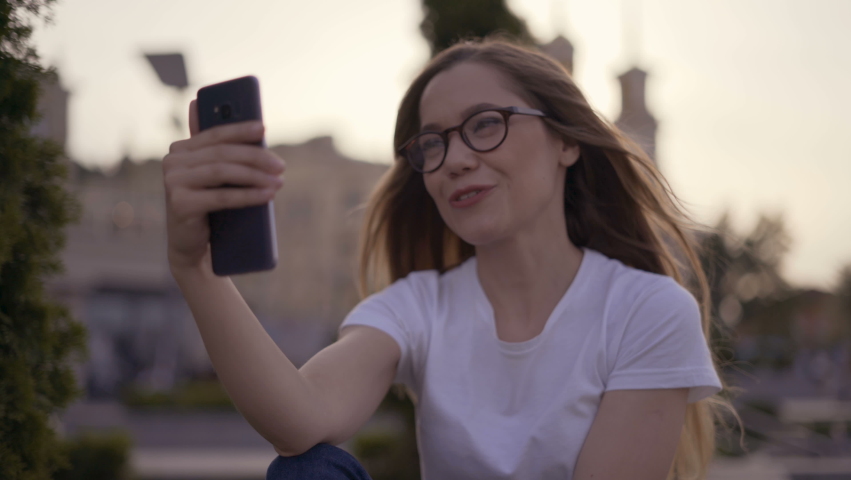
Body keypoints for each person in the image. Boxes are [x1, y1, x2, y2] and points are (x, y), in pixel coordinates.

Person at [163, 38, 735, 480]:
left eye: (486, 124)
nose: (454, 160)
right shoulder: (419, 307)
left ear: (566, 141)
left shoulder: (647, 310)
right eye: (433, 143)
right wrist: (196, 269)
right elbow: (301, 418)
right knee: (308, 470)